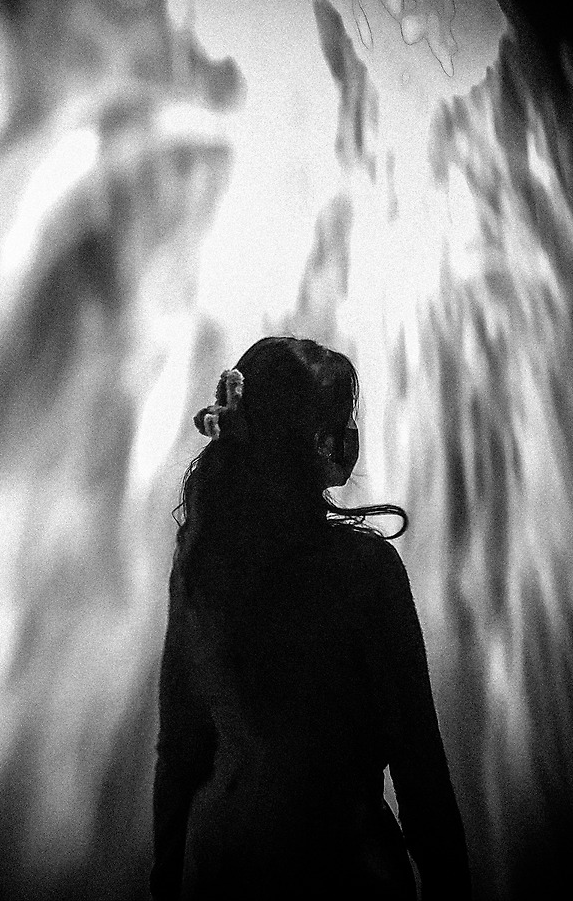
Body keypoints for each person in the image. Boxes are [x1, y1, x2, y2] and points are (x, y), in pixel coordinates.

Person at [151, 336, 471, 900]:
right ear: (319, 442)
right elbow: (419, 763)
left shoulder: (200, 563)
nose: (353, 433)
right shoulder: (366, 570)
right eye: (345, 419)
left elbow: (181, 748)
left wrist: (165, 880)